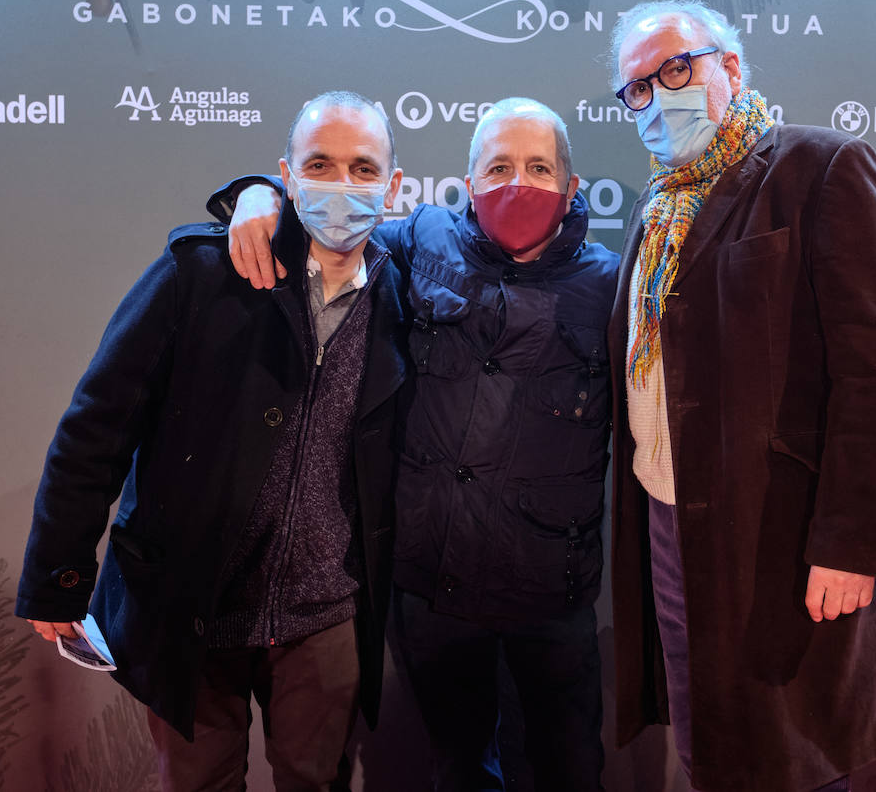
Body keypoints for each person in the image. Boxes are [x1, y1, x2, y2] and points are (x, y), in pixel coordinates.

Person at [211, 97, 618, 792]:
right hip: (437, 587)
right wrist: (256, 193)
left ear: (573, 187)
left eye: (539, 167)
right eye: (498, 166)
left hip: (552, 593)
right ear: (467, 180)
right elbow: (332, 219)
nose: (517, 182)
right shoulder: (422, 237)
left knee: (566, 770)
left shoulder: (611, 282)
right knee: (456, 769)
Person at [15, 91, 410, 791]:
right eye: (320, 164)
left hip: (326, 615)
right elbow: (96, 426)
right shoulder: (201, 272)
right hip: (190, 603)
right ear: (286, 177)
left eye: (362, 167)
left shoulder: (404, 297)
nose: (341, 185)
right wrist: (58, 573)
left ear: (394, 185)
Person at [605, 0, 876, 791]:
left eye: (676, 68)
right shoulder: (656, 210)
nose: (657, 95)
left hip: (781, 538)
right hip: (673, 527)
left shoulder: (820, 167)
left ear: (732, 68)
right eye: (636, 88)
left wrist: (850, 541)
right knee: (711, 751)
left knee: (793, 760)